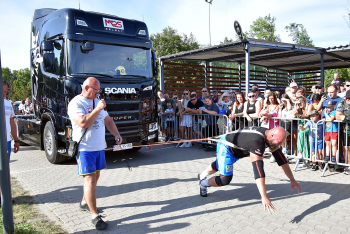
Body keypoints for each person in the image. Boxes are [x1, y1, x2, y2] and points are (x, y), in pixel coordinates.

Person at [198, 126, 301, 213]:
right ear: (272, 135)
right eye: (279, 142)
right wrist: (264, 196)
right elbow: (258, 170)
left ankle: (202, 174)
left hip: (236, 148)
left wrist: (292, 179)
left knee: (219, 164)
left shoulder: (269, 136)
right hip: (227, 147)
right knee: (225, 178)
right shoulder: (256, 142)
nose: (279, 145)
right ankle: (203, 183)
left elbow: (281, 160)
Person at [67, 77, 122, 230]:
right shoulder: (75, 103)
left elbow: (108, 120)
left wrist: (116, 134)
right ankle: (94, 216)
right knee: (90, 179)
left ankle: (85, 202)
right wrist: (97, 109)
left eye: (99, 90)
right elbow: (83, 122)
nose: (99, 93)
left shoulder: (97, 101)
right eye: (96, 90)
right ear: (86, 88)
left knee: (96, 176)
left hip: (99, 147)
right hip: (85, 148)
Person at [2, 82, 20, 203]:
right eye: (2, 91)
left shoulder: (8, 104)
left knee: (5, 169)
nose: (4, 94)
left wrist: (16, 140)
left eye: (5, 91)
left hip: (7, 141)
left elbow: (12, 124)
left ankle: (5, 196)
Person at [336, 90, 350, 174]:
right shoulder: (342, 102)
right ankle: (348, 165)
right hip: (346, 130)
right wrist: (347, 118)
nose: (348, 101)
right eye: (347, 99)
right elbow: (338, 116)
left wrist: (345, 117)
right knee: (347, 148)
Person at [322, 99, 338, 164]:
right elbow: (326, 119)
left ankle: (333, 156)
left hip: (334, 130)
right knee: (327, 144)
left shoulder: (334, 112)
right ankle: (327, 156)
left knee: (334, 143)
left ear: (333, 106)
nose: (328, 108)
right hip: (328, 130)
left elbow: (331, 119)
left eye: (329, 107)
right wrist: (325, 118)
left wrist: (325, 114)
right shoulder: (328, 113)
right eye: (327, 107)